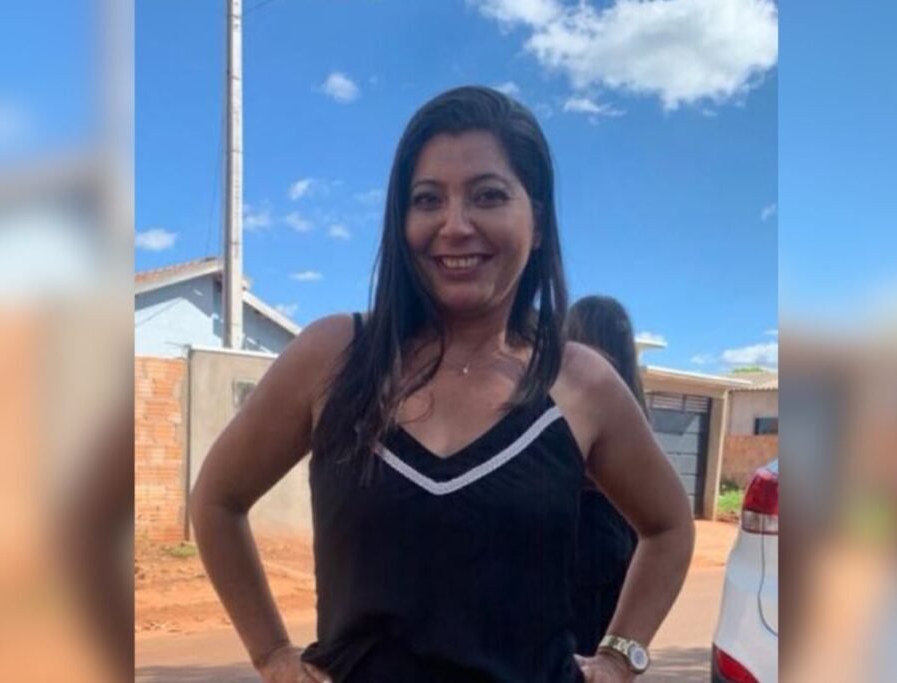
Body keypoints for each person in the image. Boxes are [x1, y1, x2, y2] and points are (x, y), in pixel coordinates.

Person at [190, 85, 694, 683]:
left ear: (536, 222)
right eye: (427, 199)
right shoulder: (334, 357)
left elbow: (669, 527)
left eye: (488, 195)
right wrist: (273, 655)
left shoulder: (580, 381)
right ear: (401, 220)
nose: (454, 225)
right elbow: (217, 501)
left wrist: (619, 658)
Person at [564, 295, 651, 656]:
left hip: (575, 533)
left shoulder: (572, 397)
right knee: (599, 650)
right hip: (619, 533)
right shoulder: (635, 408)